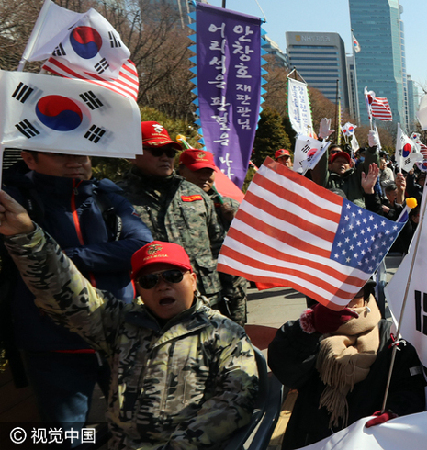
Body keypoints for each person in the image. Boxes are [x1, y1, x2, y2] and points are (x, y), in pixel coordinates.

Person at [0, 192, 258, 449]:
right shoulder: (120, 324)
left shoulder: (224, 333)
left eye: (172, 276)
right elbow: (66, 290)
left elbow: (235, 400)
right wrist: (25, 235)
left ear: (193, 280)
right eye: (149, 280)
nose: (162, 286)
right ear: (139, 289)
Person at [1, 151, 152, 446]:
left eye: (81, 154)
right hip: (53, 342)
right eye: (61, 156)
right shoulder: (14, 201)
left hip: (120, 333)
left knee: (138, 428)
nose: (76, 162)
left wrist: (56, 257)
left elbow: (142, 247)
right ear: (30, 159)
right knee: (67, 437)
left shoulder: (107, 195)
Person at [267, 282, 427, 448]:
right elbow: (287, 373)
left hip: (368, 441)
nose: (346, 298)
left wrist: (394, 414)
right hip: (314, 441)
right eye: (334, 291)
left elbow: (411, 390)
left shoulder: (391, 339)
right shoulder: (305, 332)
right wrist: (309, 328)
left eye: (356, 290)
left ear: (366, 296)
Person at [118, 121, 226, 313]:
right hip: (151, 305)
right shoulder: (116, 198)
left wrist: (235, 304)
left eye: (170, 152)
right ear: (132, 155)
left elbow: (220, 248)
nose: (165, 158)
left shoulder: (196, 194)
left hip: (206, 300)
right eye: (156, 151)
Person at [179, 149, 249, 325]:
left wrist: (234, 219)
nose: (204, 177)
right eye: (197, 172)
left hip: (232, 285)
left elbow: (254, 235)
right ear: (181, 171)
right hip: (197, 285)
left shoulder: (228, 204)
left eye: (208, 172)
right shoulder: (176, 202)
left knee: (236, 333)